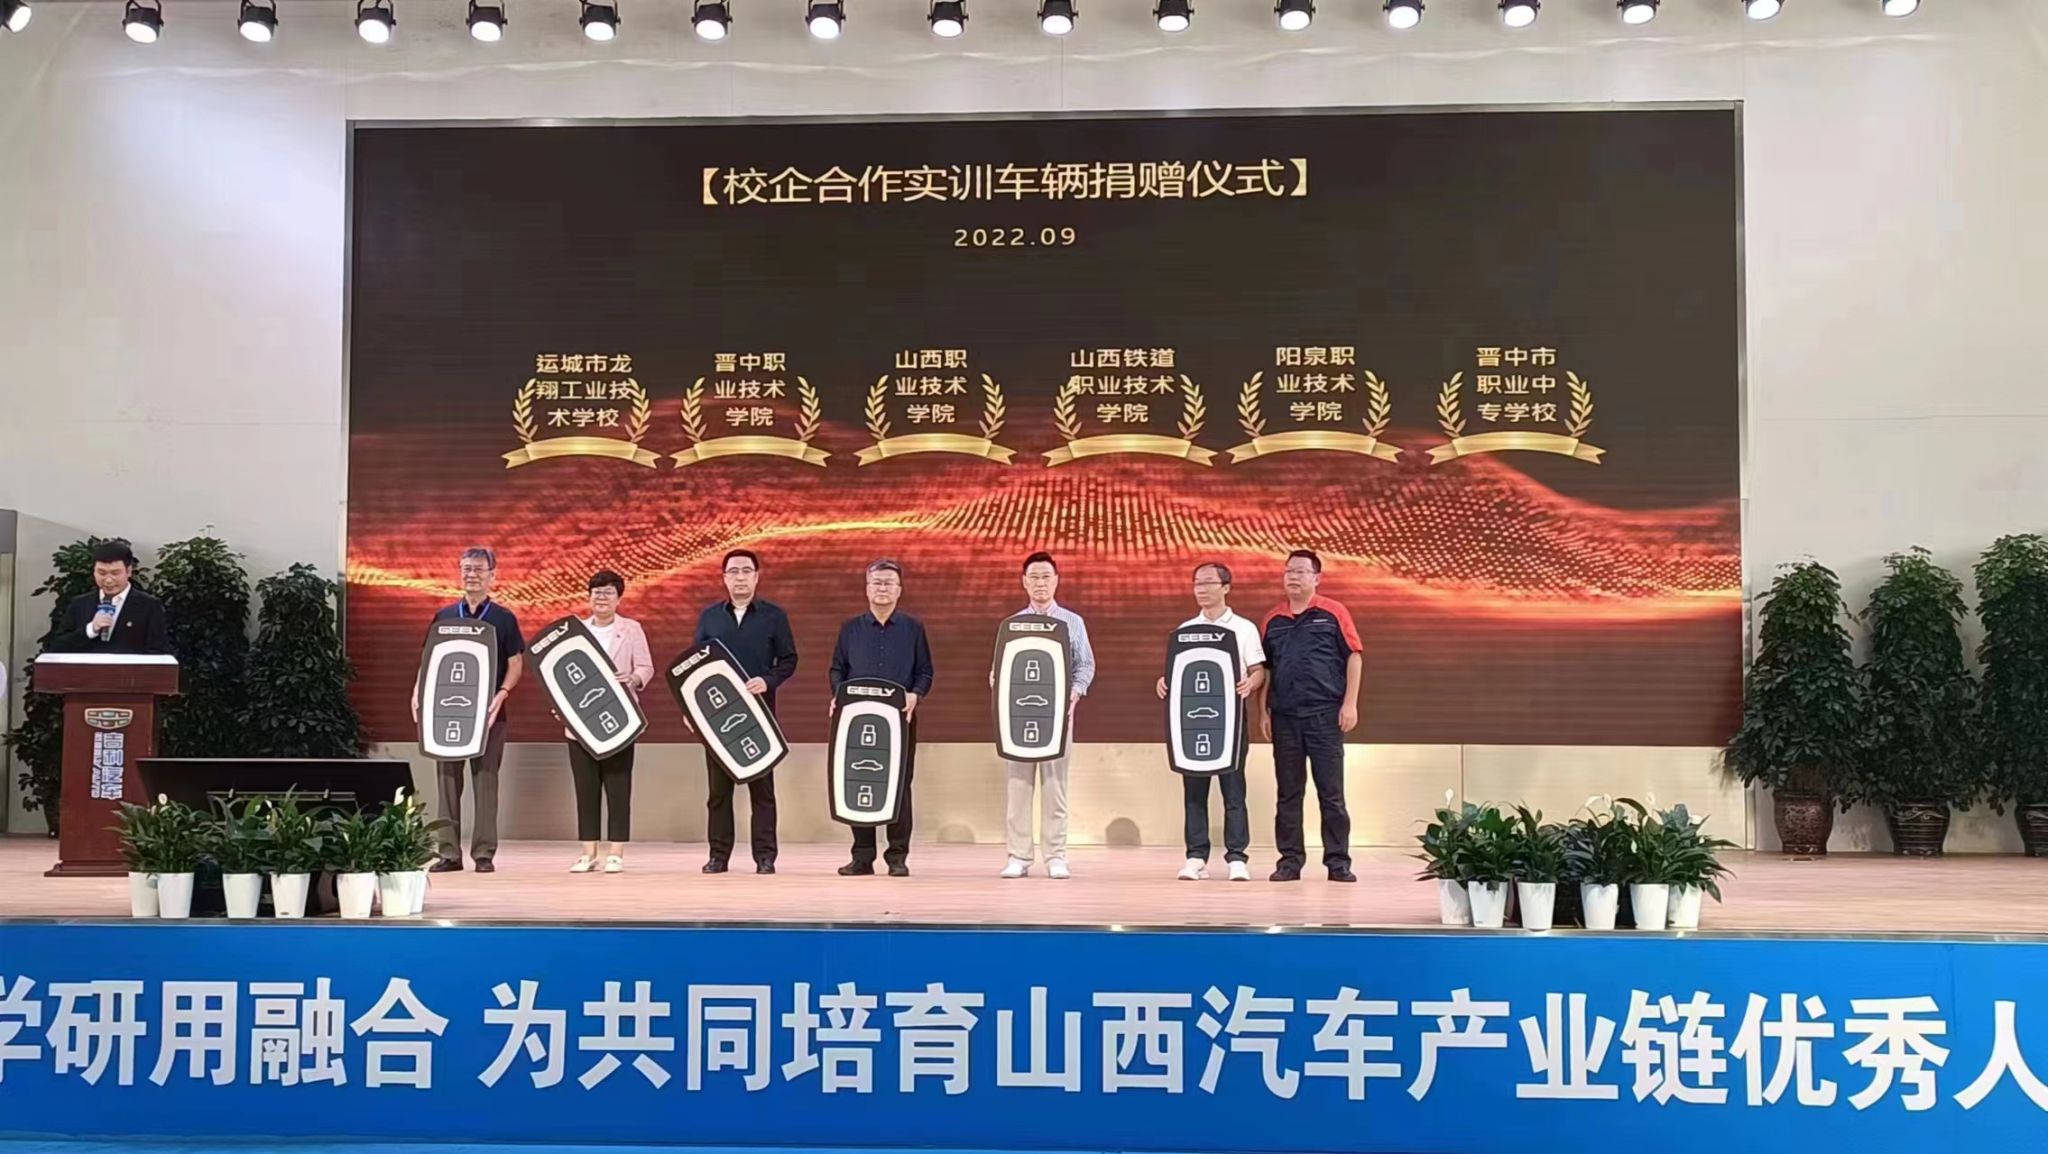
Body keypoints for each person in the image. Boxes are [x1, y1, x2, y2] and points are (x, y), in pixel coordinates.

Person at [413, 546, 525, 874]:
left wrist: (502, 694)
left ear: (492, 575)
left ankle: (484, 854)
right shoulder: (445, 616)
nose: (471, 575)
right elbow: (429, 660)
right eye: (466, 569)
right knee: (447, 782)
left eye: (478, 569)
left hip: (489, 716)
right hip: (446, 713)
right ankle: (448, 853)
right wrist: (418, 690)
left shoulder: (503, 618)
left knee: (486, 782)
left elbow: (516, 663)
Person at [1156, 561, 1265, 882]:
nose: (1201, 589)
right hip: (1192, 719)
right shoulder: (1185, 630)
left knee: (1234, 790)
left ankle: (1237, 858)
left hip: (1231, 719)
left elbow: (1258, 670)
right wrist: (1163, 682)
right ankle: (1195, 857)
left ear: (1225, 587)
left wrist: (1251, 683)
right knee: (1194, 791)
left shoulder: (1244, 628)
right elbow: (1177, 672)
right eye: (1197, 583)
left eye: (1207, 583)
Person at [1258, 549, 1362, 883]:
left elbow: (1354, 657)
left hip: (1325, 716)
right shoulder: (1273, 619)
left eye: (1301, 571)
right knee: (1288, 793)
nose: (1293, 576)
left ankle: (1338, 862)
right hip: (1284, 717)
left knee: (1331, 793)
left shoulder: (1333, 612)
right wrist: (1263, 712)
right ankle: (1289, 861)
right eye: (1288, 571)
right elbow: (1265, 670)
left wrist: (1349, 704)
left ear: (1316, 578)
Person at [692, 548, 798, 875]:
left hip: (760, 716)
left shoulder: (774, 616)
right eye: (733, 571)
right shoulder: (709, 617)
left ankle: (765, 857)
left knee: (762, 792)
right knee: (718, 793)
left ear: (756, 577)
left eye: (746, 571)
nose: (740, 577)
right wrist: (691, 709)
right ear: (724, 578)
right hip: (717, 719)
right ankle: (718, 856)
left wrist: (768, 681)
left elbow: (789, 660)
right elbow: (695, 665)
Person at [828, 559, 933, 878]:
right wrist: (838, 695)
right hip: (857, 721)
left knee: (899, 785)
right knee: (859, 778)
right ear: (867, 588)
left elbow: (925, 672)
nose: (882, 588)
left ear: (899, 590)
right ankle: (862, 857)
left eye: (889, 582)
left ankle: (897, 857)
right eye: (877, 582)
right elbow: (837, 669)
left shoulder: (913, 628)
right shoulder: (850, 628)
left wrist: (915, 695)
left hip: (900, 720)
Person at [994, 551, 1094, 880]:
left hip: (1058, 720)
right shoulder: (1011, 626)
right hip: (1017, 720)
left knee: (1055, 788)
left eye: (1046, 576)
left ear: (1056, 581)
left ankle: (1055, 856)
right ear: (1024, 582)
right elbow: (997, 671)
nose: (1040, 583)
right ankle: (1019, 857)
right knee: (1018, 788)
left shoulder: (1072, 622)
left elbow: (1085, 665)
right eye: (1034, 577)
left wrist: (1075, 693)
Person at [565, 570, 653, 876]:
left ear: (619, 598)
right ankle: (588, 853)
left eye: (608, 592)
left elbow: (646, 667)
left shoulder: (631, 629)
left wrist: (633, 679)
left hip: (620, 720)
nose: (601, 598)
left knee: (618, 786)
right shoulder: (574, 631)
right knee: (585, 788)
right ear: (589, 597)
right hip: (580, 724)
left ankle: (616, 852)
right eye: (596, 592)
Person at [43, 541, 170, 654]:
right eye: (102, 573)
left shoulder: (149, 605)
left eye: (115, 573)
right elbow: (56, 647)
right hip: (87, 672)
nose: (108, 580)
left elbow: (158, 651)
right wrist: (91, 629)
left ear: (128, 571)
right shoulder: (79, 603)